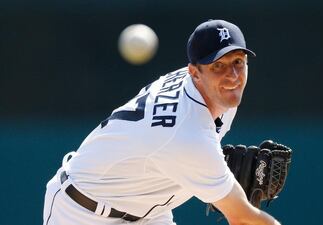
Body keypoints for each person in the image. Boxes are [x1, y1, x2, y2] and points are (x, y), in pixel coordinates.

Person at [43, 19, 281, 225]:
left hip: (146, 212)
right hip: (82, 212)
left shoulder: (211, 93)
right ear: (194, 72)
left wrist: (219, 183)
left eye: (238, 62)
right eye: (218, 65)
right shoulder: (186, 134)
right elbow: (241, 218)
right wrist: (231, 198)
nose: (232, 75)